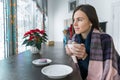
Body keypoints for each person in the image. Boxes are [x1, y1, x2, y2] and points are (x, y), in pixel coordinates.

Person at [65, 4, 120, 80]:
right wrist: (71, 55)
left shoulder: (106, 39)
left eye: (80, 20)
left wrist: (84, 56)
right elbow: (77, 68)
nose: (74, 24)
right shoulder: (75, 39)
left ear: (91, 22)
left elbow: (108, 71)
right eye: (74, 20)